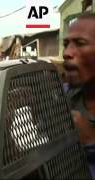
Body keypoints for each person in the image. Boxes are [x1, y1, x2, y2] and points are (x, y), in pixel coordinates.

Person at [62, 13, 95, 178]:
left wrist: (90, 141)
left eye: (80, 43)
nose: (67, 53)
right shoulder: (60, 96)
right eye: (66, 44)